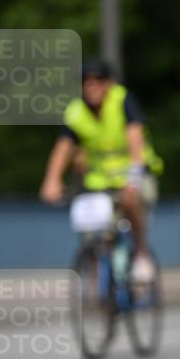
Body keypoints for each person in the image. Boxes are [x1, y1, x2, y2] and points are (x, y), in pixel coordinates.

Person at [39, 57, 163, 281]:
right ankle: (102, 287)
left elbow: (135, 138)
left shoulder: (122, 99)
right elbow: (63, 148)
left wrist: (133, 177)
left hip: (133, 174)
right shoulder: (76, 111)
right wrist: (52, 180)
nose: (92, 86)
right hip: (99, 181)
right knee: (93, 230)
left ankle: (141, 253)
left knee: (129, 201)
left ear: (109, 83)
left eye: (98, 80)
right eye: (86, 81)